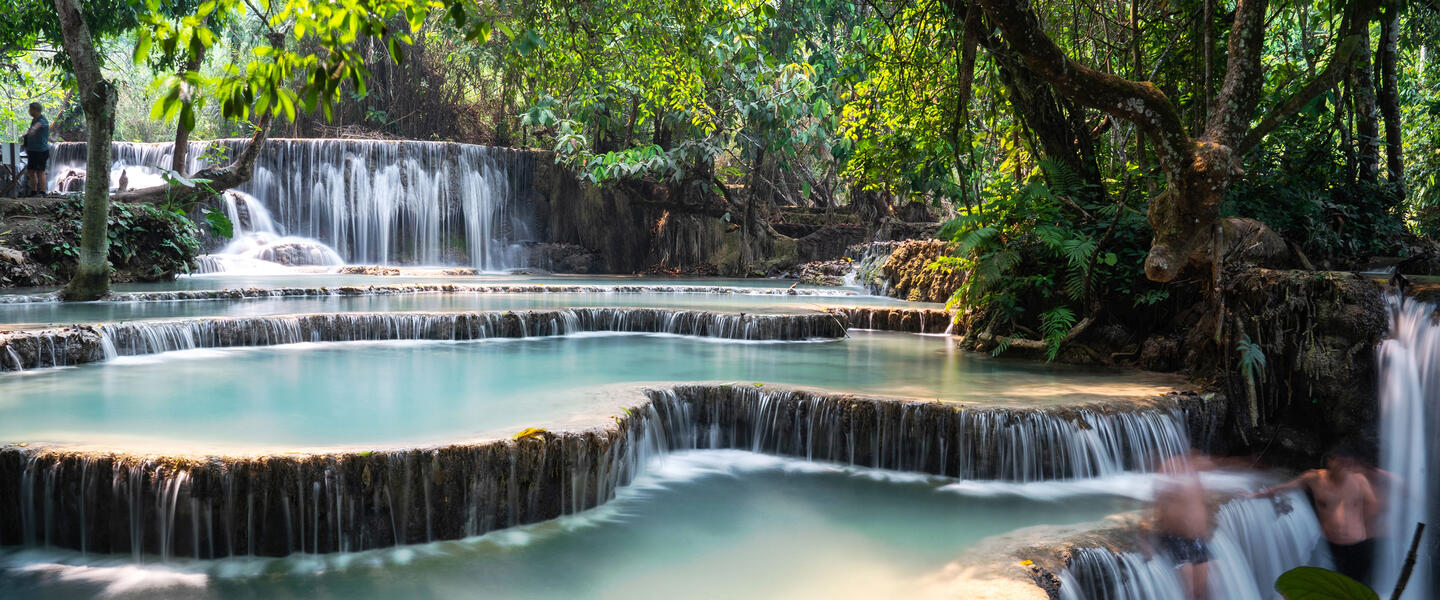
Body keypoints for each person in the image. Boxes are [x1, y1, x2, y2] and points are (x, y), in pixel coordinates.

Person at [1253, 444, 1382, 585]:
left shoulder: (1359, 481)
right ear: (1330, 461)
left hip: (1356, 545)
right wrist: (1254, 495)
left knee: (1355, 587)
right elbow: (1285, 488)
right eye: (1340, 462)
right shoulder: (1314, 478)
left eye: (1347, 464)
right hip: (1328, 544)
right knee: (1314, 583)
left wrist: (1366, 530)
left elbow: (1373, 507)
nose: (1343, 467)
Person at [1153, 455, 1214, 600]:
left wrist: (1207, 525)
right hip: (1178, 539)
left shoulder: (1194, 473)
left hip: (1198, 540)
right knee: (1190, 593)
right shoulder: (1168, 469)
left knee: (1201, 593)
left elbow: (1203, 502)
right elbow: (1158, 504)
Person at [19, 102, 50, 196]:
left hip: (41, 151)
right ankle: (33, 191)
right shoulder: (34, 120)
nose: (29, 111)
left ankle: (43, 192)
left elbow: (37, 127)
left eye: (30, 109)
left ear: (35, 110)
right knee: (31, 171)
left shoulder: (42, 120)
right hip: (32, 150)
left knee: (40, 171)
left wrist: (32, 130)